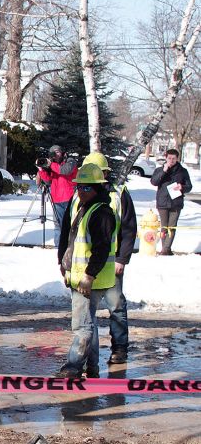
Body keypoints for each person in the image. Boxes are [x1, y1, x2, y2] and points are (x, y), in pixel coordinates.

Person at [57, 162, 118, 379]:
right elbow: (70, 242)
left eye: (85, 188)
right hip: (83, 277)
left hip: (90, 279)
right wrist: (65, 267)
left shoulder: (101, 213)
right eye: (78, 187)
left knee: (82, 325)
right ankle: (91, 367)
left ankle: (73, 366)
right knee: (88, 324)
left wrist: (88, 276)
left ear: (97, 188)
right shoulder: (86, 208)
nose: (80, 191)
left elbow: (101, 249)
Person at [83, 153, 136, 364]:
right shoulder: (82, 193)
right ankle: (89, 356)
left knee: (116, 307)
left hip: (112, 262)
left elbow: (129, 229)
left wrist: (122, 259)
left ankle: (120, 348)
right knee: (87, 312)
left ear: (106, 173)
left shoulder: (118, 194)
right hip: (87, 263)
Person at [149, 148, 192, 255]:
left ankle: (166, 248)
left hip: (176, 203)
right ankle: (165, 248)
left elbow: (189, 186)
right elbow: (154, 182)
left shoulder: (183, 171)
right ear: (166, 158)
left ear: (177, 159)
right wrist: (164, 171)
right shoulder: (160, 170)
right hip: (162, 202)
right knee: (164, 227)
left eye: (174, 158)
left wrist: (181, 187)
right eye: (169, 158)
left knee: (171, 226)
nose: (171, 160)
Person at [36, 145, 77, 238]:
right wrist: (41, 170)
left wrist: (50, 164)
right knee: (58, 225)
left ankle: (70, 247)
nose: (56, 155)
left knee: (70, 225)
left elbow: (65, 171)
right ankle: (58, 248)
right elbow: (48, 181)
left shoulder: (70, 161)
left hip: (69, 198)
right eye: (53, 153)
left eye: (57, 152)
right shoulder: (52, 165)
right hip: (56, 200)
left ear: (62, 152)